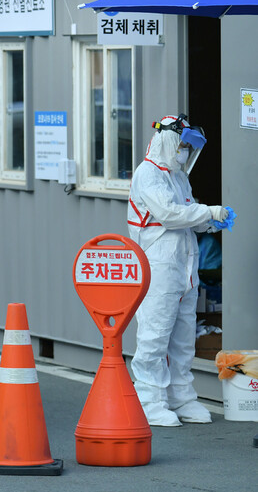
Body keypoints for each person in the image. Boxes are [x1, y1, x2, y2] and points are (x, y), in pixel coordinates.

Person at [127, 114, 230, 426]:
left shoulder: (178, 176)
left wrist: (211, 223)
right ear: (168, 141)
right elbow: (169, 214)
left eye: (188, 146)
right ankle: (149, 400)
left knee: (184, 335)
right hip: (159, 264)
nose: (185, 151)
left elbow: (187, 215)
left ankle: (181, 397)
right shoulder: (148, 174)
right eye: (182, 145)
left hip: (184, 263)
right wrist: (207, 210)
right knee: (155, 334)